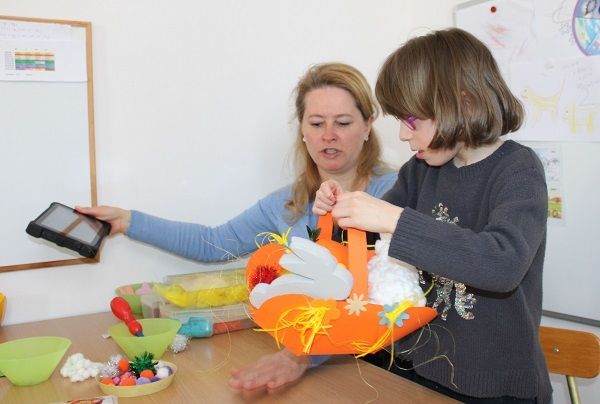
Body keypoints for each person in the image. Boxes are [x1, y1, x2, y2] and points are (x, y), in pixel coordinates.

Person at [77, 63, 397, 387]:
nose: (328, 135)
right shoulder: (286, 204)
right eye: (316, 123)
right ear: (302, 130)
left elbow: (372, 295)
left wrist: (299, 356)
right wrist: (129, 221)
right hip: (317, 366)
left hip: (383, 366)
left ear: (367, 126)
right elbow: (213, 243)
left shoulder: (396, 193)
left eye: (343, 122)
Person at [313, 28, 552, 403]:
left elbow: (502, 264)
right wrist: (339, 214)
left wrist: (393, 220)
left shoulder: (518, 170)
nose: (404, 135)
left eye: (412, 120)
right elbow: (367, 249)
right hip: (417, 370)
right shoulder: (420, 171)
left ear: (464, 104)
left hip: (494, 387)